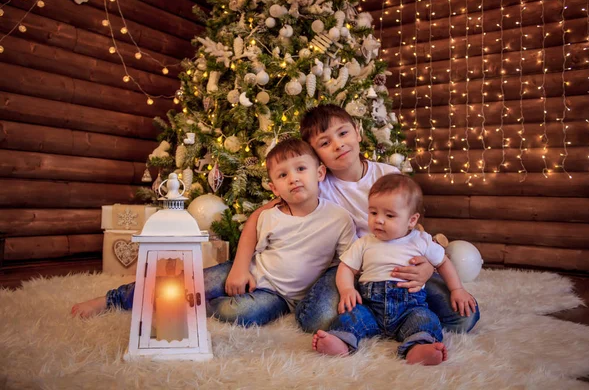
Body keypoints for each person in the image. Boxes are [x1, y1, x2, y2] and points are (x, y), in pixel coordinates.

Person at [236, 104, 480, 333]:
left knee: (464, 318)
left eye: (343, 133)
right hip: (349, 267)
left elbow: (413, 224)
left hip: (396, 261)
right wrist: (240, 266)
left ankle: (386, 315)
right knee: (319, 318)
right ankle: (370, 311)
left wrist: (427, 267)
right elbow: (260, 215)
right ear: (317, 156)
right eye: (325, 142)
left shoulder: (387, 174)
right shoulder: (317, 184)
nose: (338, 145)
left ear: (357, 133)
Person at [71, 139, 356, 327]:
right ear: (273, 188)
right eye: (283, 175)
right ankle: (114, 299)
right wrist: (240, 270)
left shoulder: (338, 218)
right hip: (251, 272)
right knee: (190, 280)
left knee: (238, 314)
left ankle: (195, 306)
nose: (293, 178)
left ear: (319, 174)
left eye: (301, 169)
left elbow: (347, 261)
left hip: (281, 297)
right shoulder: (271, 215)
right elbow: (249, 236)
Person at [312, 173, 477, 365]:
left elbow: (443, 262)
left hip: (409, 308)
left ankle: (418, 348)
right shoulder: (364, 243)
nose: (379, 220)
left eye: (389, 215)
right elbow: (346, 267)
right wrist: (347, 289)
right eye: (373, 213)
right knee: (351, 317)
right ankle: (340, 342)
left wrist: (457, 289)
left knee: (424, 319)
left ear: (412, 220)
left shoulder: (421, 240)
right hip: (370, 307)